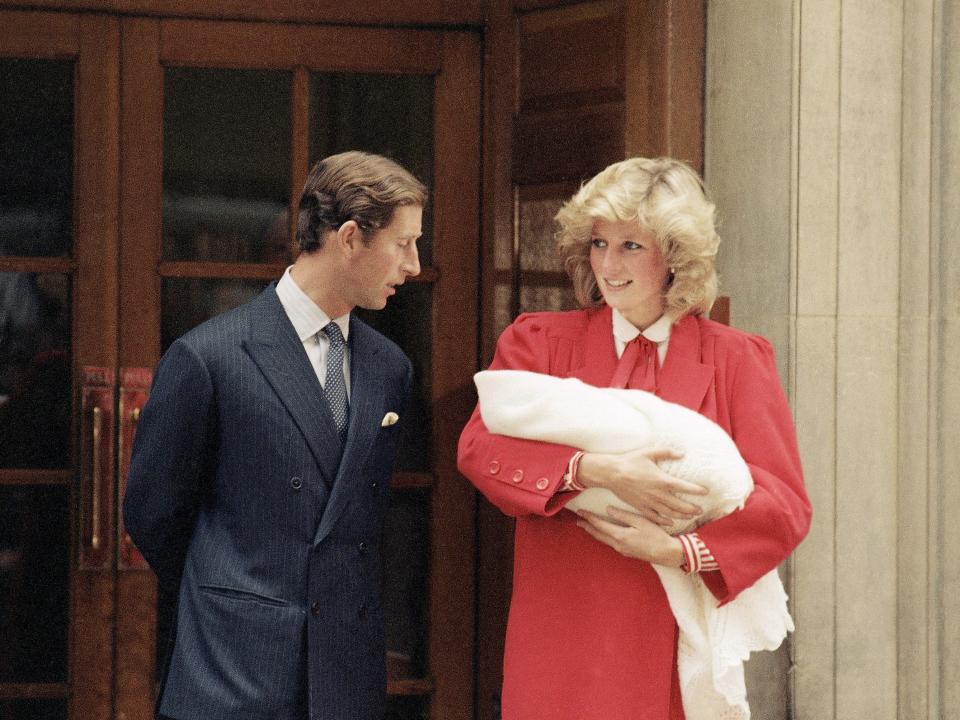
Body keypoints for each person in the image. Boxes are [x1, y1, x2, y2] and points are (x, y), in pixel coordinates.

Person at [457, 157, 811, 720]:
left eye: (631, 246)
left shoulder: (738, 357)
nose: (609, 264)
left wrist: (677, 551)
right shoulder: (539, 342)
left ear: (677, 256)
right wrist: (594, 471)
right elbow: (478, 450)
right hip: (561, 628)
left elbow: (785, 506)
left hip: (673, 632)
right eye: (599, 243)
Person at [123, 150, 425, 720]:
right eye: (404, 243)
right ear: (352, 238)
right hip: (233, 669)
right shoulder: (209, 355)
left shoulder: (390, 368)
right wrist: (235, 590)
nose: (413, 265)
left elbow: (368, 522)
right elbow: (151, 512)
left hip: (345, 673)